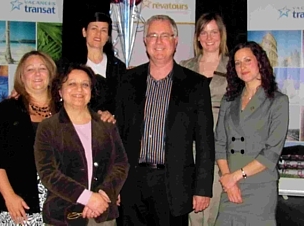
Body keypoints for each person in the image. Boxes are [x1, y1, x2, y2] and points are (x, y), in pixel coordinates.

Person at [116, 15, 215, 226]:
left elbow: (206, 143)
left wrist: (202, 189)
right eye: (152, 35)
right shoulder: (127, 81)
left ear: (176, 41)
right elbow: (118, 138)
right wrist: (114, 184)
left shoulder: (196, 85)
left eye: (165, 36)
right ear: (144, 41)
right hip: (132, 183)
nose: (158, 42)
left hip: (175, 185)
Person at [34, 63, 129, 226]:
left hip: (102, 214)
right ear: (60, 91)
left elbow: (121, 164)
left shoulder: (107, 125)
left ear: (91, 92)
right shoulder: (48, 127)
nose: (79, 89)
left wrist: (104, 196)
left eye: (85, 85)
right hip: (64, 215)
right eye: (72, 84)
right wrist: (89, 198)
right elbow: (48, 173)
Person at [214, 41, 289, 226]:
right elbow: (220, 143)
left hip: (260, 187)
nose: (242, 66)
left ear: (260, 63)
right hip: (230, 185)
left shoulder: (278, 101)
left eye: (248, 60)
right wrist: (227, 179)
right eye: (237, 63)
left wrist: (235, 177)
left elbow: (271, 152)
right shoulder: (229, 100)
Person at [0, 50, 57, 225]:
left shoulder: (65, 110)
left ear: (51, 73)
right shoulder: (7, 110)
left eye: (42, 68)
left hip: (58, 205)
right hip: (18, 206)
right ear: (22, 77)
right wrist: (9, 196)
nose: (37, 74)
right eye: (30, 69)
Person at [180, 12, 228, 226]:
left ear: (221, 35)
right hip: (188, 147)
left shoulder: (234, 67)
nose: (209, 37)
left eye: (214, 32)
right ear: (197, 37)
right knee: (191, 207)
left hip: (219, 147)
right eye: (204, 32)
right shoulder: (184, 67)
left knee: (213, 205)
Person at [79, 12, 127, 114]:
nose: (98, 34)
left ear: (108, 36)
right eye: (94, 28)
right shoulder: (72, 66)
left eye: (103, 30)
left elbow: (123, 104)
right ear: (84, 32)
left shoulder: (119, 67)